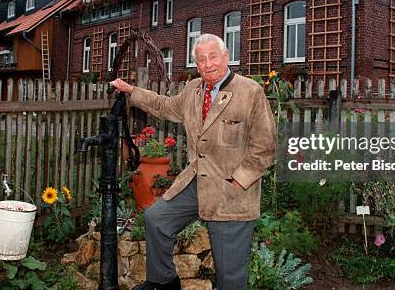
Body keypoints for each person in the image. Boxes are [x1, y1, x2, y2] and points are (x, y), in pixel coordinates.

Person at [111, 33, 276, 290]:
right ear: (196, 65)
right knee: (157, 219)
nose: (208, 64)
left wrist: (238, 182)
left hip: (232, 191)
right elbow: (165, 106)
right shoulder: (193, 90)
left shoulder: (250, 92)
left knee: (229, 275)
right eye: (201, 59)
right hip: (197, 181)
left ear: (226, 56)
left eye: (213, 56)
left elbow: (265, 147)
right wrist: (132, 91)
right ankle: (164, 282)